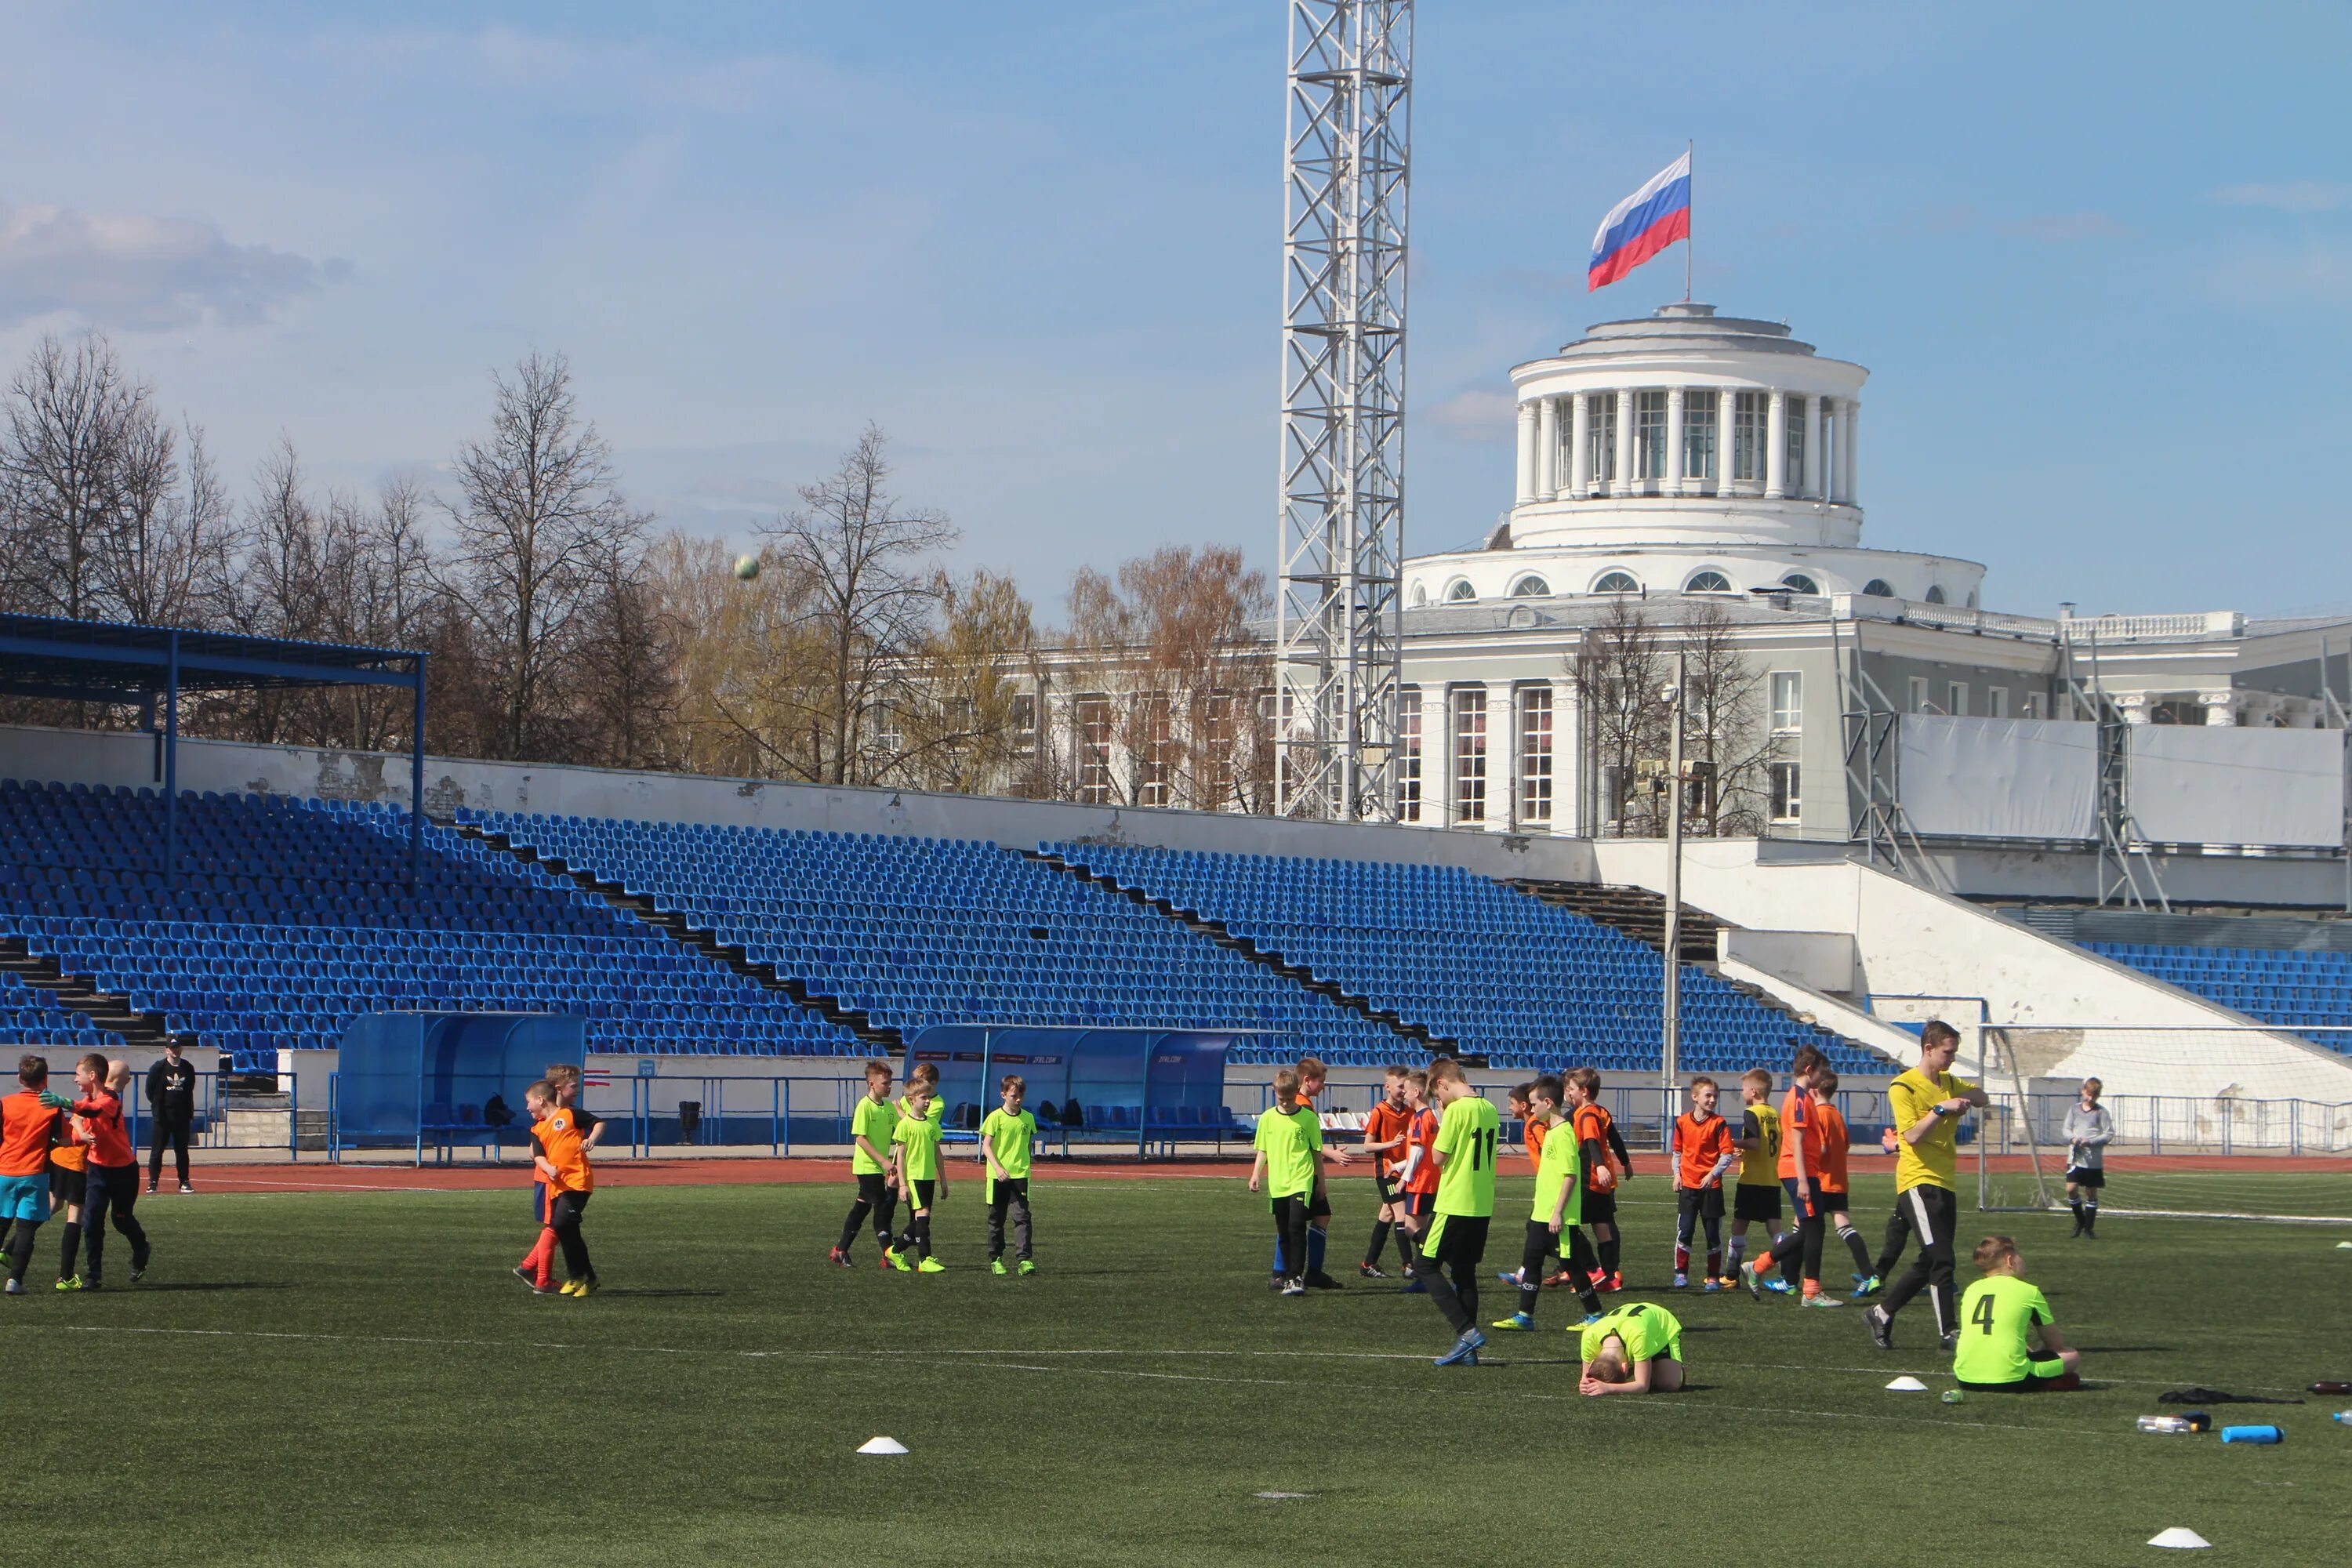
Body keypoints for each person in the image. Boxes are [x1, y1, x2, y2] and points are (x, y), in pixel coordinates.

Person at [1864, 1020, 1987, 1354]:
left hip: (1945, 1181)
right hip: (1918, 1181)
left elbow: (1982, 1096)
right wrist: (1939, 1109)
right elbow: (1912, 1137)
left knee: (1929, 1259)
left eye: (1955, 1053)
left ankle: (1882, 1312)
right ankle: (1949, 1332)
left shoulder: (1948, 1081)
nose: (1952, 1059)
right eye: (1948, 1052)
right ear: (1929, 1049)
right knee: (1942, 1258)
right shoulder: (1903, 1087)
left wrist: (1969, 1098)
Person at [1490, 1074, 1602, 1333]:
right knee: (1532, 1260)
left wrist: (1558, 1212)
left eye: (1534, 1102)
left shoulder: (1563, 1133)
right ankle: (1524, 1315)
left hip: (1557, 1216)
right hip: (1542, 1212)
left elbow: (1570, 1176)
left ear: (1548, 1102)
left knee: (1571, 1264)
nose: (1531, 1107)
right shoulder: (1552, 1131)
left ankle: (1595, 1314)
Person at [1412, 1060, 1501, 1367]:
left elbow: (1438, 1157)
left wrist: (1442, 1115)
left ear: (1442, 1084)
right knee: (1464, 1273)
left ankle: (1467, 1332)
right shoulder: (1489, 1108)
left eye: (1438, 1095)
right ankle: (1469, 1351)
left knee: (1425, 1265)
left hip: (1455, 1201)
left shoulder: (1457, 1110)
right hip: (1481, 1202)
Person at [1744, 1045, 1840, 1307]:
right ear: (1810, 1070)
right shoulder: (1798, 1098)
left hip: (1804, 1170)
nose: (1824, 1075)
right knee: (1814, 1229)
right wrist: (1801, 1179)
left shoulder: (1803, 1096)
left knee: (1811, 1229)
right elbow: (1796, 1140)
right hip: (1798, 1171)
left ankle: (1759, 1265)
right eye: (1821, 1070)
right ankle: (1811, 1291)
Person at [1951, 1235, 2081, 1392]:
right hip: (2013, 1378)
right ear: (2010, 1261)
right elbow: (2055, 1345)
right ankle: (2047, 1382)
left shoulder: (1971, 1289)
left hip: (1966, 1378)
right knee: (2072, 1355)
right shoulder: (2029, 1291)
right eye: (2020, 1257)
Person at [66, 1054, 151, 1290]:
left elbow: (88, 1112)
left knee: (121, 1220)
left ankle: (141, 1247)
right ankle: (94, 1275)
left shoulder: (109, 1099)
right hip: (98, 1170)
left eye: (78, 1074)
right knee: (91, 1221)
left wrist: (63, 1103)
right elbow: (77, 1122)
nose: (75, 1079)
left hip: (123, 1172)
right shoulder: (89, 1099)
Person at [516, 1065, 601, 1291]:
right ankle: (540, 1275)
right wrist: (547, 1164)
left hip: (573, 1180)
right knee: (557, 1226)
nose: (577, 1090)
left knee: (561, 1226)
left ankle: (541, 1271)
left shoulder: (571, 1114)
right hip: (549, 1179)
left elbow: (597, 1123)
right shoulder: (542, 1122)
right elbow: (535, 1152)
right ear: (558, 1089)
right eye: (573, 1086)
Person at [1250, 1068, 1324, 1298]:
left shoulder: (1309, 1118)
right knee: (1283, 1231)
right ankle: (1284, 1277)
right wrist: (1255, 1174)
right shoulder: (1268, 1118)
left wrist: (1320, 1182)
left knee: (1296, 1226)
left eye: (1290, 1098)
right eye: (1282, 1098)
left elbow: (1315, 1153)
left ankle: (1295, 1277)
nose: (1286, 1102)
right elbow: (1263, 1149)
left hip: (1301, 1180)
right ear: (1275, 1092)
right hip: (1278, 1183)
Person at [1809, 1069, 1879, 1295]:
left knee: (1802, 1229)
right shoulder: (1837, 1115)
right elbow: (1845, 1146)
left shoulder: (1817, 1115)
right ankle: (1869, 1275)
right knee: (1845, 1228)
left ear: (1814, 1090)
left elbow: (1819, 1149)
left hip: (1820, 1182)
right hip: (1838, 1181)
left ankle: (1788, 1279)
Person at [831, 1060, 899, 1269]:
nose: (889, 1086)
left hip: (880, 1166)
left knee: (862, 1207)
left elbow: (901, 1132)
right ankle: (889, 1254)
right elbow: (860, 1138)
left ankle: (841, 1250)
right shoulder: (865, 1106)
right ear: (871, 1084)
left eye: (890, 1082)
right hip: (867, 1165)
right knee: (882, 1207)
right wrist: (883, 1161)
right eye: (885, 1083)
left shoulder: (889, 1107)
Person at [1669, 1076, 1735, 1290]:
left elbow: (1727, 1155)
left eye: (1715, 1096)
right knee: (1685, 1230)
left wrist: (1712, 1175)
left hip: (1711, 1188)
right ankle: (1681, 1274)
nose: (1712, 1099)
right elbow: (1677, 1152)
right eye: (1708, 1095)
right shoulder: (1682, 1122)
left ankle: (1713, 1276)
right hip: (1688, 1186)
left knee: (1712, 1233)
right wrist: (1677, 1174)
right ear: (1695, 1097)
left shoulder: (1719, 1124)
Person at [1, 1054, 59, 1296]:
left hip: (5, 1170)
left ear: (19, 1078)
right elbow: (61, 1139)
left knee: (2, 1223)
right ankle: (15, 1280)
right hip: (34, 1173)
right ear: (45, 1080)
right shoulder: (51, 1107)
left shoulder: (5, 1103)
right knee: (25, 1229)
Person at [1566, 1068, 1628, 1290]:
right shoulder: (1601, 1112)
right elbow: (1615, 1139)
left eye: (1572, 1089)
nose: (1569, 1093)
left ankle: (1592, 1270)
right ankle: (1611, 1276)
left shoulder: (1586, 1114)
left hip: (1588, 1179)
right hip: (1602, 1183)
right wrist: (1626, 1162)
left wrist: (1600, 1166)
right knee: (1602, 1226)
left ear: (1583, 1090)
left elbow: (1591, 1141)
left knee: (1565, 1223)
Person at [1723, 1068, 1782, 1288]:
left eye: (1744, 1088)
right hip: (1772, 1179)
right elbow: (1766, 1147)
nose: (1742, 1092)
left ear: (1754, 1091)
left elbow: (1755, 1143)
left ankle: (1731, 1275)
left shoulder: (1752, 1113)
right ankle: (1788, 1274)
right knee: (1775, 1230)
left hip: (1751, 1181)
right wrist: (1745, 1153)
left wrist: (1730, 1142)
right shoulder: (1776, 1114)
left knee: (1739, 1226)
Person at [1358, 1065, 1417, 1279]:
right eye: (1400, 1087)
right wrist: (1390, 1143)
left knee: (1386, 1215)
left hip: (1404, 1171)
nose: (1403, 1091)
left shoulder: (1410, 1112)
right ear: (1388, 1087)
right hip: (1386, 1172)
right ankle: (1409, 1266)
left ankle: (1368, 1264)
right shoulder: (1379, 1112)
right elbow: (1367, 1146)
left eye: (1406, 1087)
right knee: (1402, 1215)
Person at [980, 1074, 1037, 1276]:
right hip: (997, 1177)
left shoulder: (1028, 1118)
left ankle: (1024, 1260)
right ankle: (996, 1259)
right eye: (1014, 1095)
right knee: (996, 1219)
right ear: (1003, 1095)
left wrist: (1025, 1164)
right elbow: (986, 1146)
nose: (1018, 1099)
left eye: (1021, 1095)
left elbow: (1027, 1144)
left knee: (1022, 1217)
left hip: (1020, 1176)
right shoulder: (995, 1117)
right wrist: (997, 1168)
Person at [890, 1080, 948, 1273]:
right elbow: (901, 1156)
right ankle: (925, 1259)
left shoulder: (932, 1123)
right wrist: (903, 1185)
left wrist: (944, 1180)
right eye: (923, 1097)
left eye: (929, 1097)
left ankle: (896, 1251)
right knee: (923, 1215)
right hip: (913, 1177)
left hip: (928, 1177)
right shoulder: (905, 1124)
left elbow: (937, 1153)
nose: (928, 1101)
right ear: (911, 1099)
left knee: (921, 1221)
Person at [1393, 1069, 1439, 1294]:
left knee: (1412, 1229)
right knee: (1418, 1228)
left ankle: (1438, 1256)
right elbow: (1418, 1154)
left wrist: (1404, 1177)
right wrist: (1399, 1166)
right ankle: (1425, 1277)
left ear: (1417, 1092)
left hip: (1421, 1183)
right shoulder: (1428, 1116)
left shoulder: (1421, 1117)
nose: (1403, 1093)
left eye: (1406, 1089)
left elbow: (1419, 1152)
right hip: (1427, 1179)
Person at [1578, 1301, 1686, 1396]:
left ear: (1625, 1367)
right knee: (1645, 1370)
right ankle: (1645, 1363)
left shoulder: (1638, 1336)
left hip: (1663, 1329)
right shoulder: (1588, 1337)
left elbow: (1643, 1386)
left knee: (1668, 1384)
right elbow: (1586, 1378)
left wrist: (1609, 1388)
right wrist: (1585, 1384)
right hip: (1634, 1328)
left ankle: (1660, 1364)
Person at [144, 1041, 198, 1195]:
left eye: (178, 1048)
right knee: (157, 1150)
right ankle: (153, 1182)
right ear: (166, 1050)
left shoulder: (187, 1067)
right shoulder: (158, 1067)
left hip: (181, 1115)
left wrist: (188, 1112)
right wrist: (157, 1107)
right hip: (163, 1115)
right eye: (172, 1048)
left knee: (182, 1150)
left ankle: (184, 1181)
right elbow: (150, 1090)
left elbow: (189, 1089)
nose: (175, 1051)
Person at [2062, 1078, 2113, 1240]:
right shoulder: (2074, 1109)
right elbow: (2066, 1128)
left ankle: (2088, 1229)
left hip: (2093, 1159)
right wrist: (2073, 1139)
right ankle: (2080, 1220)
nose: (2090, 1099)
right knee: (2070, 1189)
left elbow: (2108, 1133)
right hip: (2076, 1157)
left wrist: (2091, 1142)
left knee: (2091, 1192)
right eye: (2089, 1094)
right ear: (2083, 1091)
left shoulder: (2101, 1112)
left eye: (2094, 1096)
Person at [48, 1096, 87, 1290]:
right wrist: (81, 1135)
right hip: (75, 1162)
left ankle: (10, 1250)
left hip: (59, 1158)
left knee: (52, 1206)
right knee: (75, 1215)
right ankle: (66, 1277)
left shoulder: (93, 1099)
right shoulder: (101, 1100)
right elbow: (79, 1120)